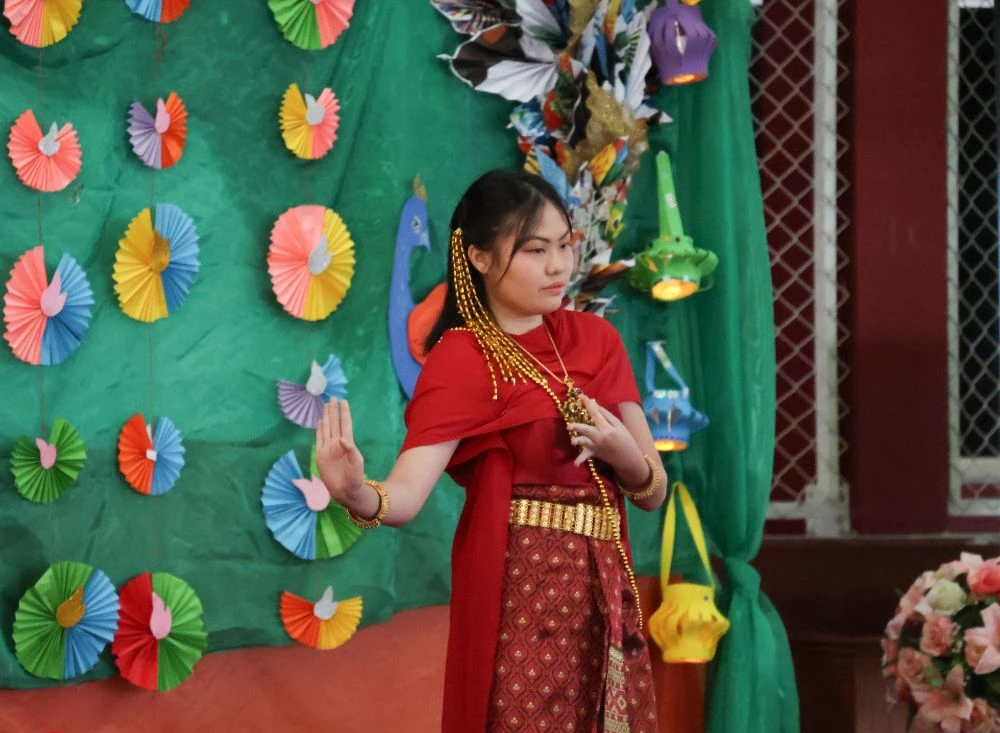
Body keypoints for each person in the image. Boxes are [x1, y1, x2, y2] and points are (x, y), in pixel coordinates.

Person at [315, 169, 668, 732]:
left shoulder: (598, 341)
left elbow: (652, 491)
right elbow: (405, 496)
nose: (558, 266)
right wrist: (355, 491)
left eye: (564, 246)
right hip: (520, 598)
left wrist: (623, 455)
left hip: (606, 586)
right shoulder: (462, 358)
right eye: (535, 250)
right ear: (479, 257)